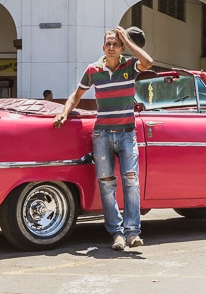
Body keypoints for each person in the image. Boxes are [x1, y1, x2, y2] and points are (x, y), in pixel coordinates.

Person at [54, 26, 154, 251]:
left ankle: (133, 232)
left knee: (131, 182)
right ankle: (116, 234)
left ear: (121, 48)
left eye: (115, 44)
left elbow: (148, 62)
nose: (111, 47)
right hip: (102, 135)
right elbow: (77, 94)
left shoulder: (130, 66)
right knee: (107, 184)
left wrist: (128, 41)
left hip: (127, 134)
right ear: (103, 47)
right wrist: (64, 112)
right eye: (108, 44)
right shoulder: (93, 70)